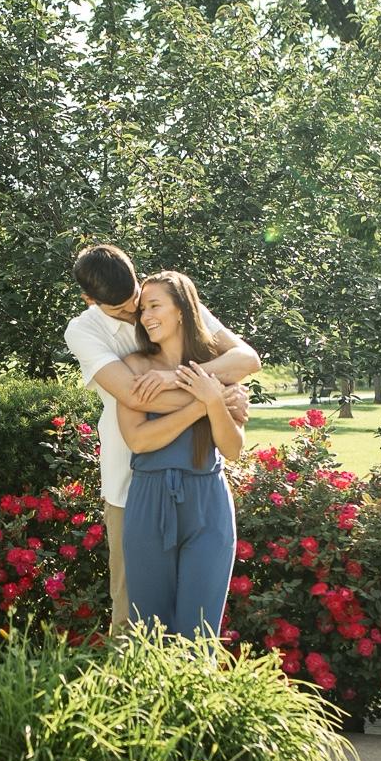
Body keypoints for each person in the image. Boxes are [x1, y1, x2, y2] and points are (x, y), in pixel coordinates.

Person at [63, 245, 258, 631]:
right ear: (90, 300)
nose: (136, 314)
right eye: (122, 310)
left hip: (199, 480)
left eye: (137, 300)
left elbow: (246, 359)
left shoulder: (164, 297)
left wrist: (176, 378)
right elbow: (135, 395)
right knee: (132, 619)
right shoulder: (84, 331)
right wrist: (211, 397)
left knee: (197, 621)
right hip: (130, 482)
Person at [117, 270, 245, 638]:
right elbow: (138, 440)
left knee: (199, 633)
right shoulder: (135, 367)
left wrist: (213, 399)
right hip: (150, 500)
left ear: (182, 311)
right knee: (150, 633)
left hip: (208, 502)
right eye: (142, 309)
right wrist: (204, 403)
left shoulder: (219, 367)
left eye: (154, 306)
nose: (145, 316)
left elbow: (233, 449)